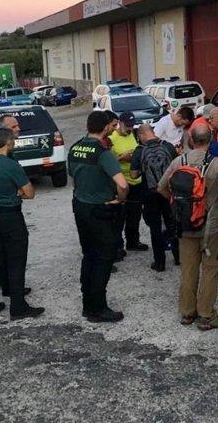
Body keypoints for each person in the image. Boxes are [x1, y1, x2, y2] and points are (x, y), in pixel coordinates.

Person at [158, 124, 218, 331]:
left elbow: (161, 188)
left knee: (188, 268)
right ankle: (207, 315)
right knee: (210, 269)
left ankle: (187, 312)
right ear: (212, 140)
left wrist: (178, 205)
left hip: (185, 223)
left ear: (191, 140)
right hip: (213, 225)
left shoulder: (178, 161)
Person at [0, 127, 44, 320]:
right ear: (8, 143)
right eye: (13, 140)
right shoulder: (10, 164)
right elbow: (30, 192)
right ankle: (18, 307)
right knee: (16, 262)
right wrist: (19, 193)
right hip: (11, 218)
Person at [68, 110, 129, 322]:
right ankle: (98, 308)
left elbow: (74, 177)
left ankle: (88, 303)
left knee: (89, 255)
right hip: (101, 209)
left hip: (80, 206)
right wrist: (120, 199)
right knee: (104, 258)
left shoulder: (75, 147)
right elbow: (122, 184)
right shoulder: (103, 152)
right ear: (105, 128)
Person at [131, 123, 178, 271]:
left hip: (150, 193)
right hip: (169, 192)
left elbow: (134, 174)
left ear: (141, 135)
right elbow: (178, 165)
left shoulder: (140, 150)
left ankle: (159, 263)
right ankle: (178, 257)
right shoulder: (168, 146)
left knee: (155, 228)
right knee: (172, 224)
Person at [108, 112, 148, 256]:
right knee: (119, 216)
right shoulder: (111, 138)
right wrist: (121, 158)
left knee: (135, 214)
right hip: (121, 181)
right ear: (120, 123)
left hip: (136, 180)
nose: (130, 128)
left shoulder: (135, 135)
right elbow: (109, 162)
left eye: (132, 125)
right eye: (127, 125)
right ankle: (118, 245)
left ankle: (133, 241)